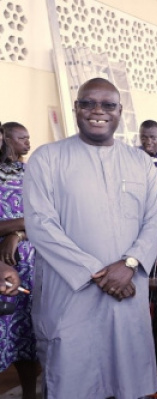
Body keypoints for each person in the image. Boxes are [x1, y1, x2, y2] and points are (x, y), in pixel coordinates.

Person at [23, 78, 157, 398]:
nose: (97, 111)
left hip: (127, 295)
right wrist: (98, 272)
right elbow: (41, 225)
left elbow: (155, 220)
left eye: (108, 105)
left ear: (120, 111)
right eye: (88, 103)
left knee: (127, 381)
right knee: (73, 379)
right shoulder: (47, 159)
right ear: (76, 109)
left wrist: (130, 263)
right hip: (71, 295)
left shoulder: (140, 162)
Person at [0, 122, 38, 399]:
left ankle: (28, 394)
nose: (27, 143)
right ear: (6, 139)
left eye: (28, 138)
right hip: (2, 271)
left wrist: (18, 234)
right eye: (21, 138)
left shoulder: (29, 173)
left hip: (27, 266)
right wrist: (24, 223)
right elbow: (35, 217)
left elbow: (46, 218)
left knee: (26, 335)